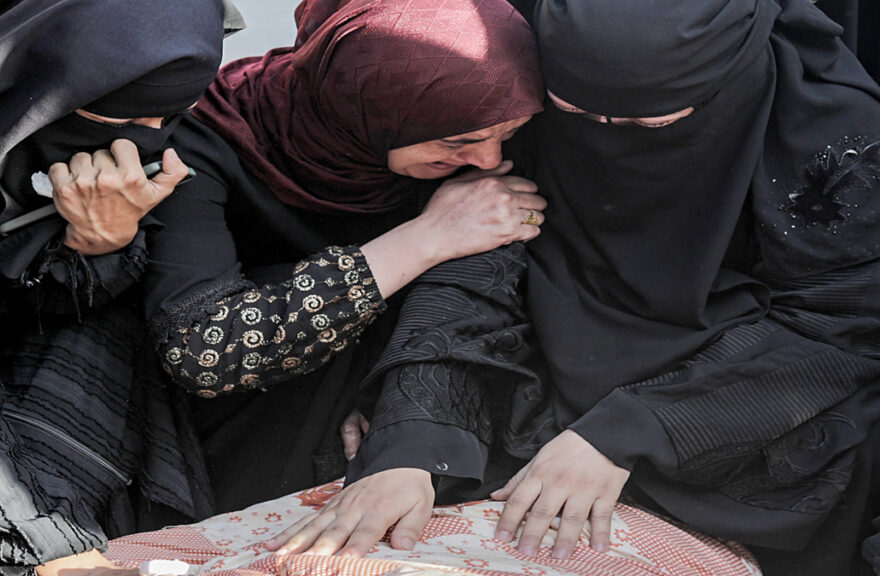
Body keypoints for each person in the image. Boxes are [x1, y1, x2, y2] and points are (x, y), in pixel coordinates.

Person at [268, 0, 880, 575]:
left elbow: (842, 323)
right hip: (530, 387)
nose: (609, 135)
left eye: (650, 121)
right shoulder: (536, 93)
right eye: (580, 115)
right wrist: (417, 439)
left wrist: (629, 432)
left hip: (742, 410)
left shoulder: (833, 140)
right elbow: (485, 254)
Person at [0, 0, 232, 573]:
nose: (147, 142)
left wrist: (97, 243)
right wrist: (56, 552)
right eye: (126, 118)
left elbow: (36, 305)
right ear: (46, 82)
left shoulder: (42, 126)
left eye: (173, 115)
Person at [136, 0, 547, 512]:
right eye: (460, 139)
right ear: (369, 108)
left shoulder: (470, 123)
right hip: (226, 434)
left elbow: (481, 293)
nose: (488, 160)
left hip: (382, 412)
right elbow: (203, 351)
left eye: (508, 133)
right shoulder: (202, 142)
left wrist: (393, 404)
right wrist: (427, 238)